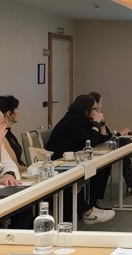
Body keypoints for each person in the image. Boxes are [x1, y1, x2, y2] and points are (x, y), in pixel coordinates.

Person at [45, 94, 115, 225]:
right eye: (94, 109)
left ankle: (91, 205)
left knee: (103, 168)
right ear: (85, 109)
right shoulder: (72, 120)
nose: (96, 113)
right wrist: (95, 124)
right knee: (95, 171)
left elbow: (102, 139)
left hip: (73, 157)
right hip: (60, 161)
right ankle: (88, 211)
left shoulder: (83, 119)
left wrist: (101, 125)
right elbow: (89, 142)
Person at [0, 95, 27, 174]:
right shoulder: (1, 134)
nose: (19, 112)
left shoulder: (7, 131)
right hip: (14, 173)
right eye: (17, 109)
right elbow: (14, 163)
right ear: (9, 113)